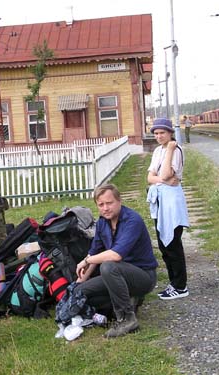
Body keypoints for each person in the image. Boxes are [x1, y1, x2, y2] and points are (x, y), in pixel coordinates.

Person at [75, 184, 158, 338]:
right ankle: (127, 302)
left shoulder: (133, 220)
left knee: (108, 266)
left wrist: (86, 261)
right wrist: (79, 283)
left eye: (109, 203)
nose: (105, 208)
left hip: (143, 276)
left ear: (119, 201)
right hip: (117, 277)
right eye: (101, 204)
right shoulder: (101, 223)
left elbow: (115, 256)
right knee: (81, 292)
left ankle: (127, 318)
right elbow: (94, 254)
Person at [147, 118, 190, 301]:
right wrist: (162, 180)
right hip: (160, 199)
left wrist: (171, 149)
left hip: (171, 201)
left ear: (170, 133)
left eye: (162, 133)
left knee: (173, 243)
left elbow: (164, 174)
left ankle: (181, 285)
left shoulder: (175, 150)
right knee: (164, 244)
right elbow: (150, 177)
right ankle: (173, 283)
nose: (158, 136)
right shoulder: (158, 150)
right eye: (156, 133)